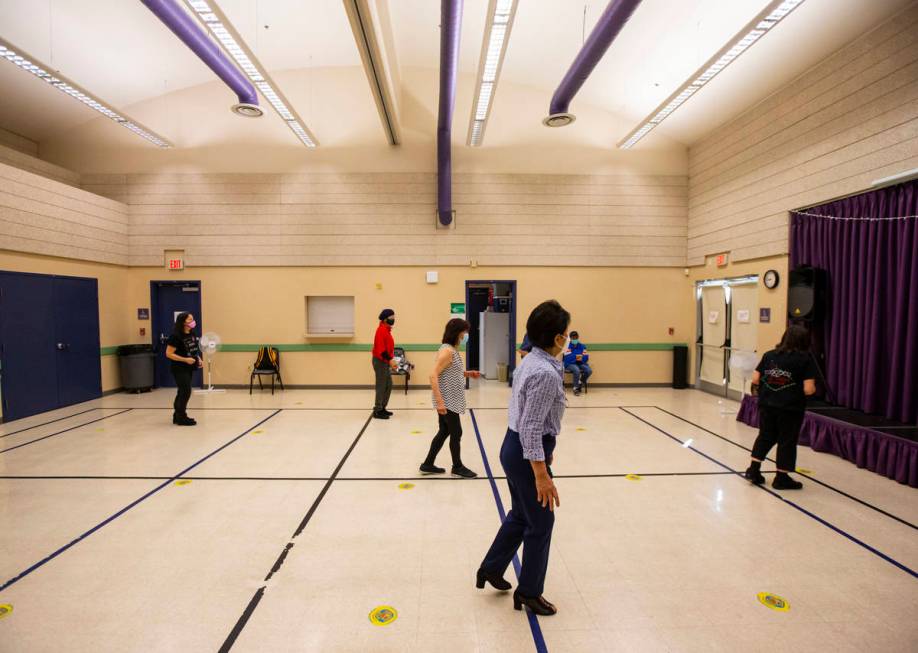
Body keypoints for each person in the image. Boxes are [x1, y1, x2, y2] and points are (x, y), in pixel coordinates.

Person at [477, 300, 570, 616]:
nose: (567, 339)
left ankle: (491, 568)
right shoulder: (544, 371)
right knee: (542, 522)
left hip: (514, 445)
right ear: (557, 338)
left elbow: (534, 417)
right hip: (526, 451)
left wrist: (548, 445)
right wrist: (541, 472)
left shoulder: (532, 360)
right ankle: (529, 592)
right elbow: (531, 425)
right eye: (566, 334)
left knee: (521, 514)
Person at [744, 324, 818, 490]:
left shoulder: (769, 355)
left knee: (765, 436)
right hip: (790, 407)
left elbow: (756, 379)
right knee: (787, 440)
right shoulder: (805, 359)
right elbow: (808, 389)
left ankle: (753, 470)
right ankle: (782, 477)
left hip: (767, 403)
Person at [420, 318, 481, 478]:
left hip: (450, 400)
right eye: (464, 332)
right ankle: (457, 466)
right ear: (457, 333)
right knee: (456, 432)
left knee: (444, 431)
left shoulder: (450, 350)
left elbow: (450, 371)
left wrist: (468, 373)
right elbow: (433, 375)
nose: (466, 335)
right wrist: (440, 402)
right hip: (447, 402)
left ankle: (427, 464)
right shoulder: (447, 351)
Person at [165, 312, 203, 426]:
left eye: (193, 319)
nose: (192, 321)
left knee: (182, 391)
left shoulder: (191, 333)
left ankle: (177, 415)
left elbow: (193, 349)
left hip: (189, 367)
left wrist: (198, 358)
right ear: (183, 322)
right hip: (179, 368)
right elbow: (168, 353)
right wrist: (185, 359)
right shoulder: (176, 336)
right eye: (190, 319)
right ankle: (182, 416)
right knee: (186, 391)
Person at [372, 308, 398, 419]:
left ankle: (382, 407)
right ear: (385, 319)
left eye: (394, 317)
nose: (393, 319)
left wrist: (391, 360)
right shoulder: (381, 330)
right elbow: (381, 350)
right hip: (380, 361)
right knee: (382, 385)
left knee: (388, 385)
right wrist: (391, 360)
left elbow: (388, 348)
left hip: (385, 361)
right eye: (391, 317)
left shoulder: (386, 330)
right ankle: (378, 410)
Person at [562, 331, 591, 395]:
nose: (574, 339)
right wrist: (578, 357)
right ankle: (575, 388)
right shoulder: (567, 346)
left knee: (589, 370)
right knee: (576, 370)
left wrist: (575, 357)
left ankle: (580, 382)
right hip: (569, 364)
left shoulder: (582, 346)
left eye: (576, 337)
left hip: (580, 363)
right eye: (573, 337)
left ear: (578, 337)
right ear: (570, 338)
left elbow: (586, 357)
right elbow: (568, 358)